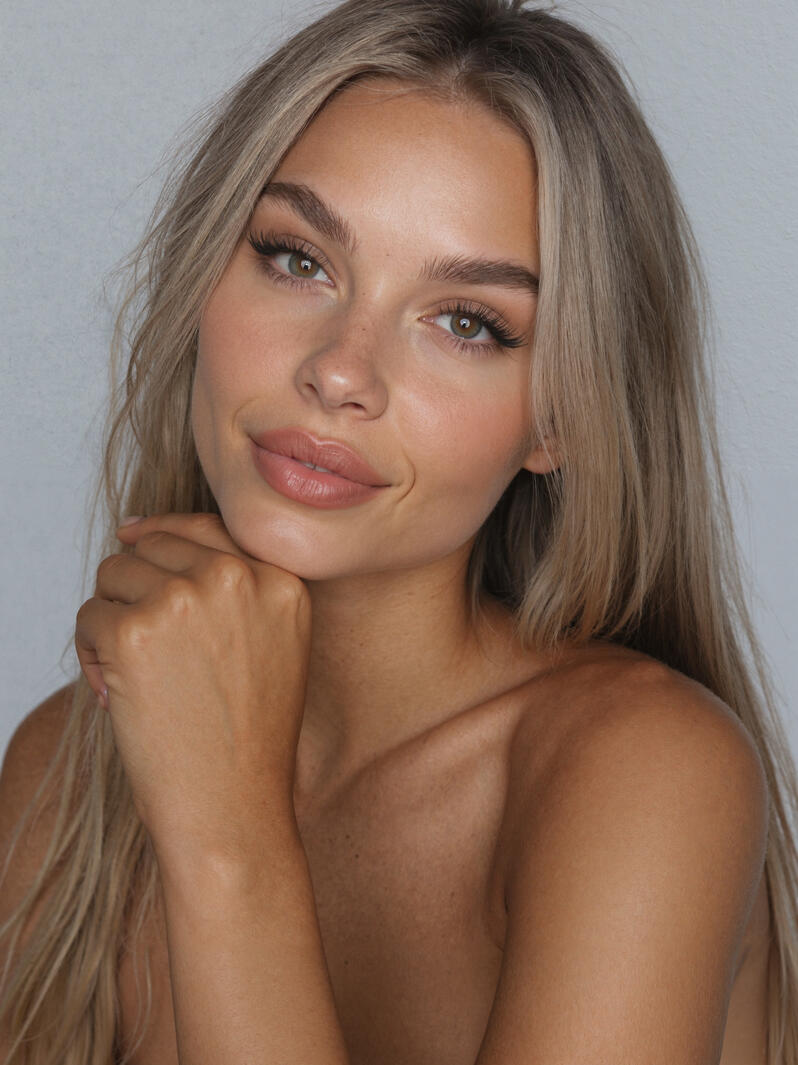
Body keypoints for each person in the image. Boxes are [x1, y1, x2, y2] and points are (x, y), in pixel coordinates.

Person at [1, 0, 796, 1062]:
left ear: (558, 419)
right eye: (298, 259)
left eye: (468, 323)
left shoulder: (642, 776)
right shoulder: (64, 769)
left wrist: (229, 843)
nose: (339, 370)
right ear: (203, 277)